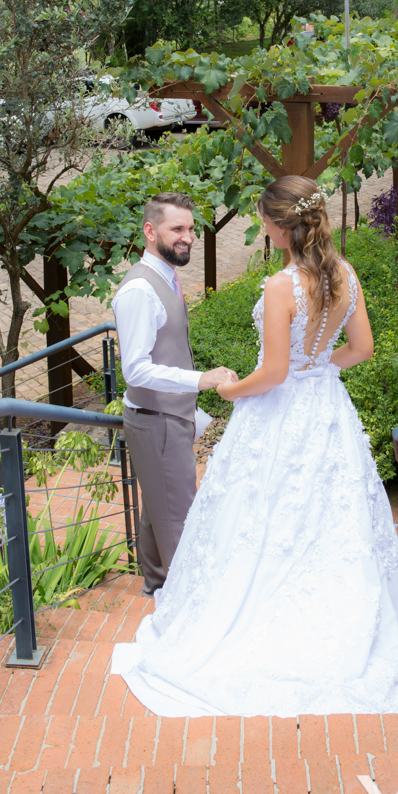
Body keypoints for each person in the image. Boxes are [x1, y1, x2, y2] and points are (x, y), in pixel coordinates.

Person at [111, 176, 398, 716]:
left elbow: (275, 373)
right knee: (324, 516)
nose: (261, 227)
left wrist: (231, 389)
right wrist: (317, 371)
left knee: (261, 517)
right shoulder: (344, 274)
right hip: (327, 410)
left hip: (278, 416)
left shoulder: (283, 287)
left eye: (263, 221)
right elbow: (363, 348)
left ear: (283, 228)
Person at [112, 192, 237, 597]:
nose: (188, 237)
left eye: (190, 229)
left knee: (157, 507)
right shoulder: (139, 291)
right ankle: (188, 600)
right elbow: (135, 370)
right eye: (177, 229)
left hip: (171, 417)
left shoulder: (167, 275)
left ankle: (156, 585)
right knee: (179, 516)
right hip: (157, 421)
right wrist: (200, 380)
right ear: (150, 231)